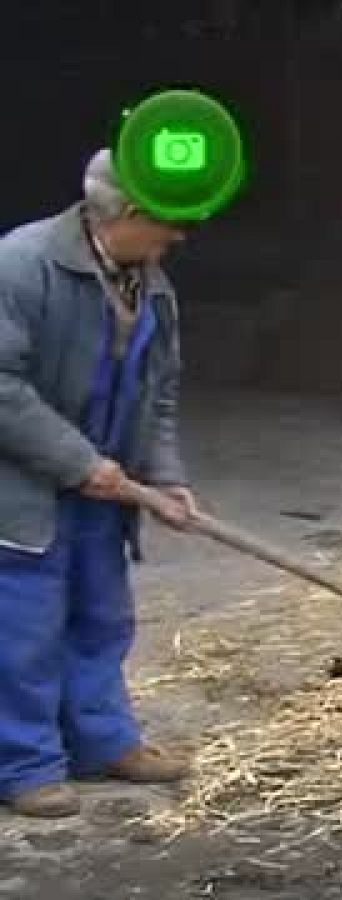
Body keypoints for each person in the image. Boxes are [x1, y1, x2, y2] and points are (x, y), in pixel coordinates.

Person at [0, 149, 201, 818]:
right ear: (128, 213)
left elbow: (160, 394)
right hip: (23, 486)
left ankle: (102, 742)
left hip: (106, 489)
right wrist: (76, 461)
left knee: (101, 618)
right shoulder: (23, 264)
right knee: (24, 628)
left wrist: (165, 477)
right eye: (168, 223)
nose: (179, 237)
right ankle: (25, 765)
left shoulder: (152, 283)